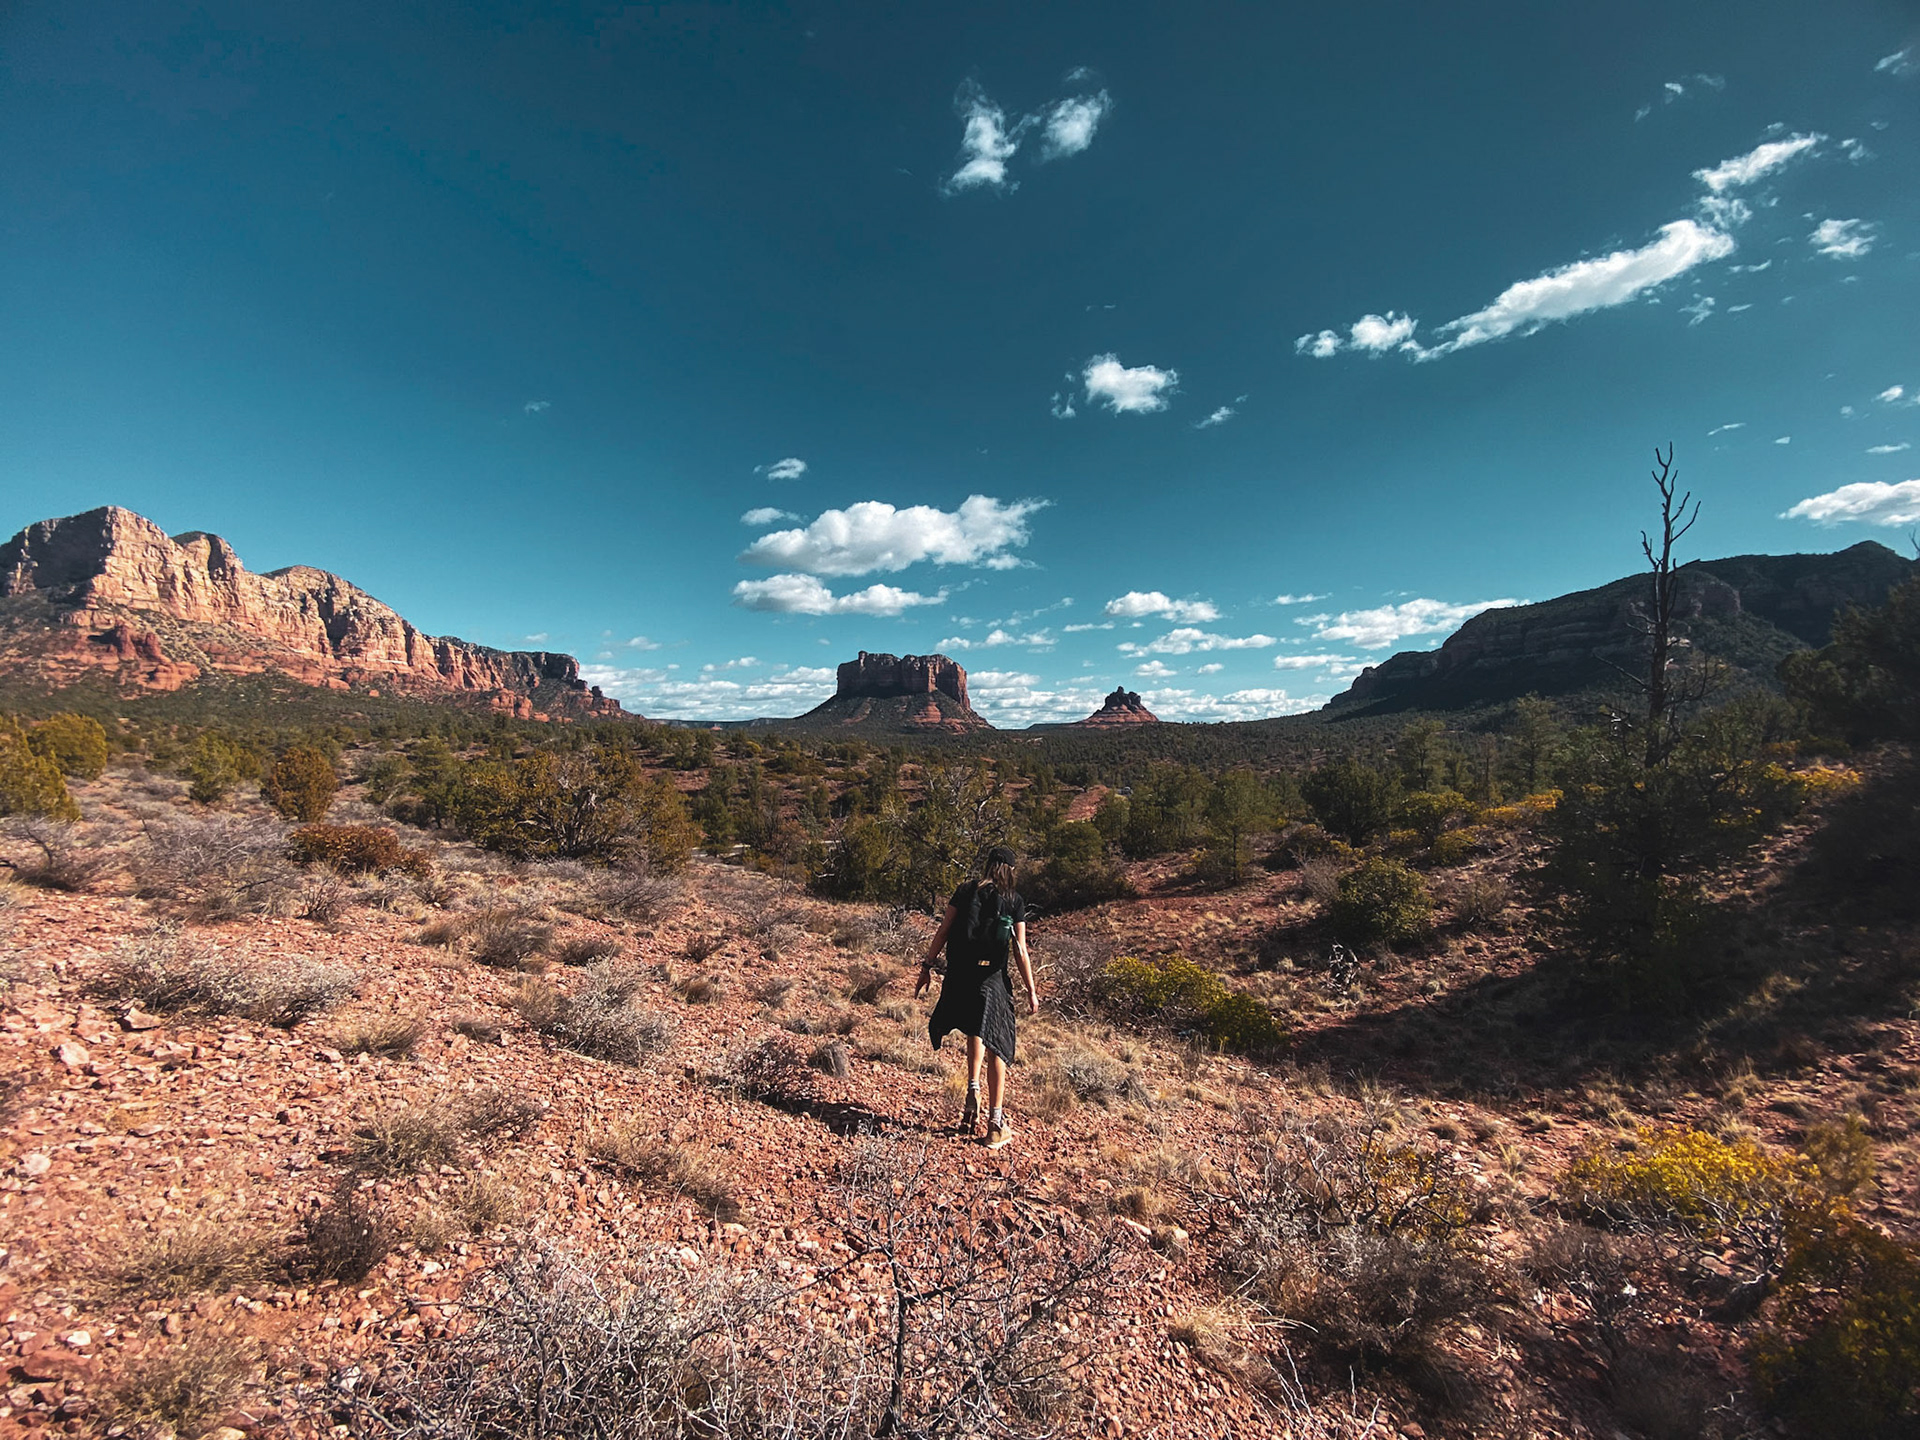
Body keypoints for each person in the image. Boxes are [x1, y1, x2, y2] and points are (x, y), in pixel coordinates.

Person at [915, 845, 1038, 1150]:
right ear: (1010, 870)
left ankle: (973, 1092)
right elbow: (1020, 950)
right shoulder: (1013, 900)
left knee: (975, 1028)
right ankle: (995, 1125)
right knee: (997, 1043)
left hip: (960, 975)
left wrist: (926, 967)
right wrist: (1031, 990)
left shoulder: (965, 890)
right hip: (991, 978)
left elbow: (944, 930)